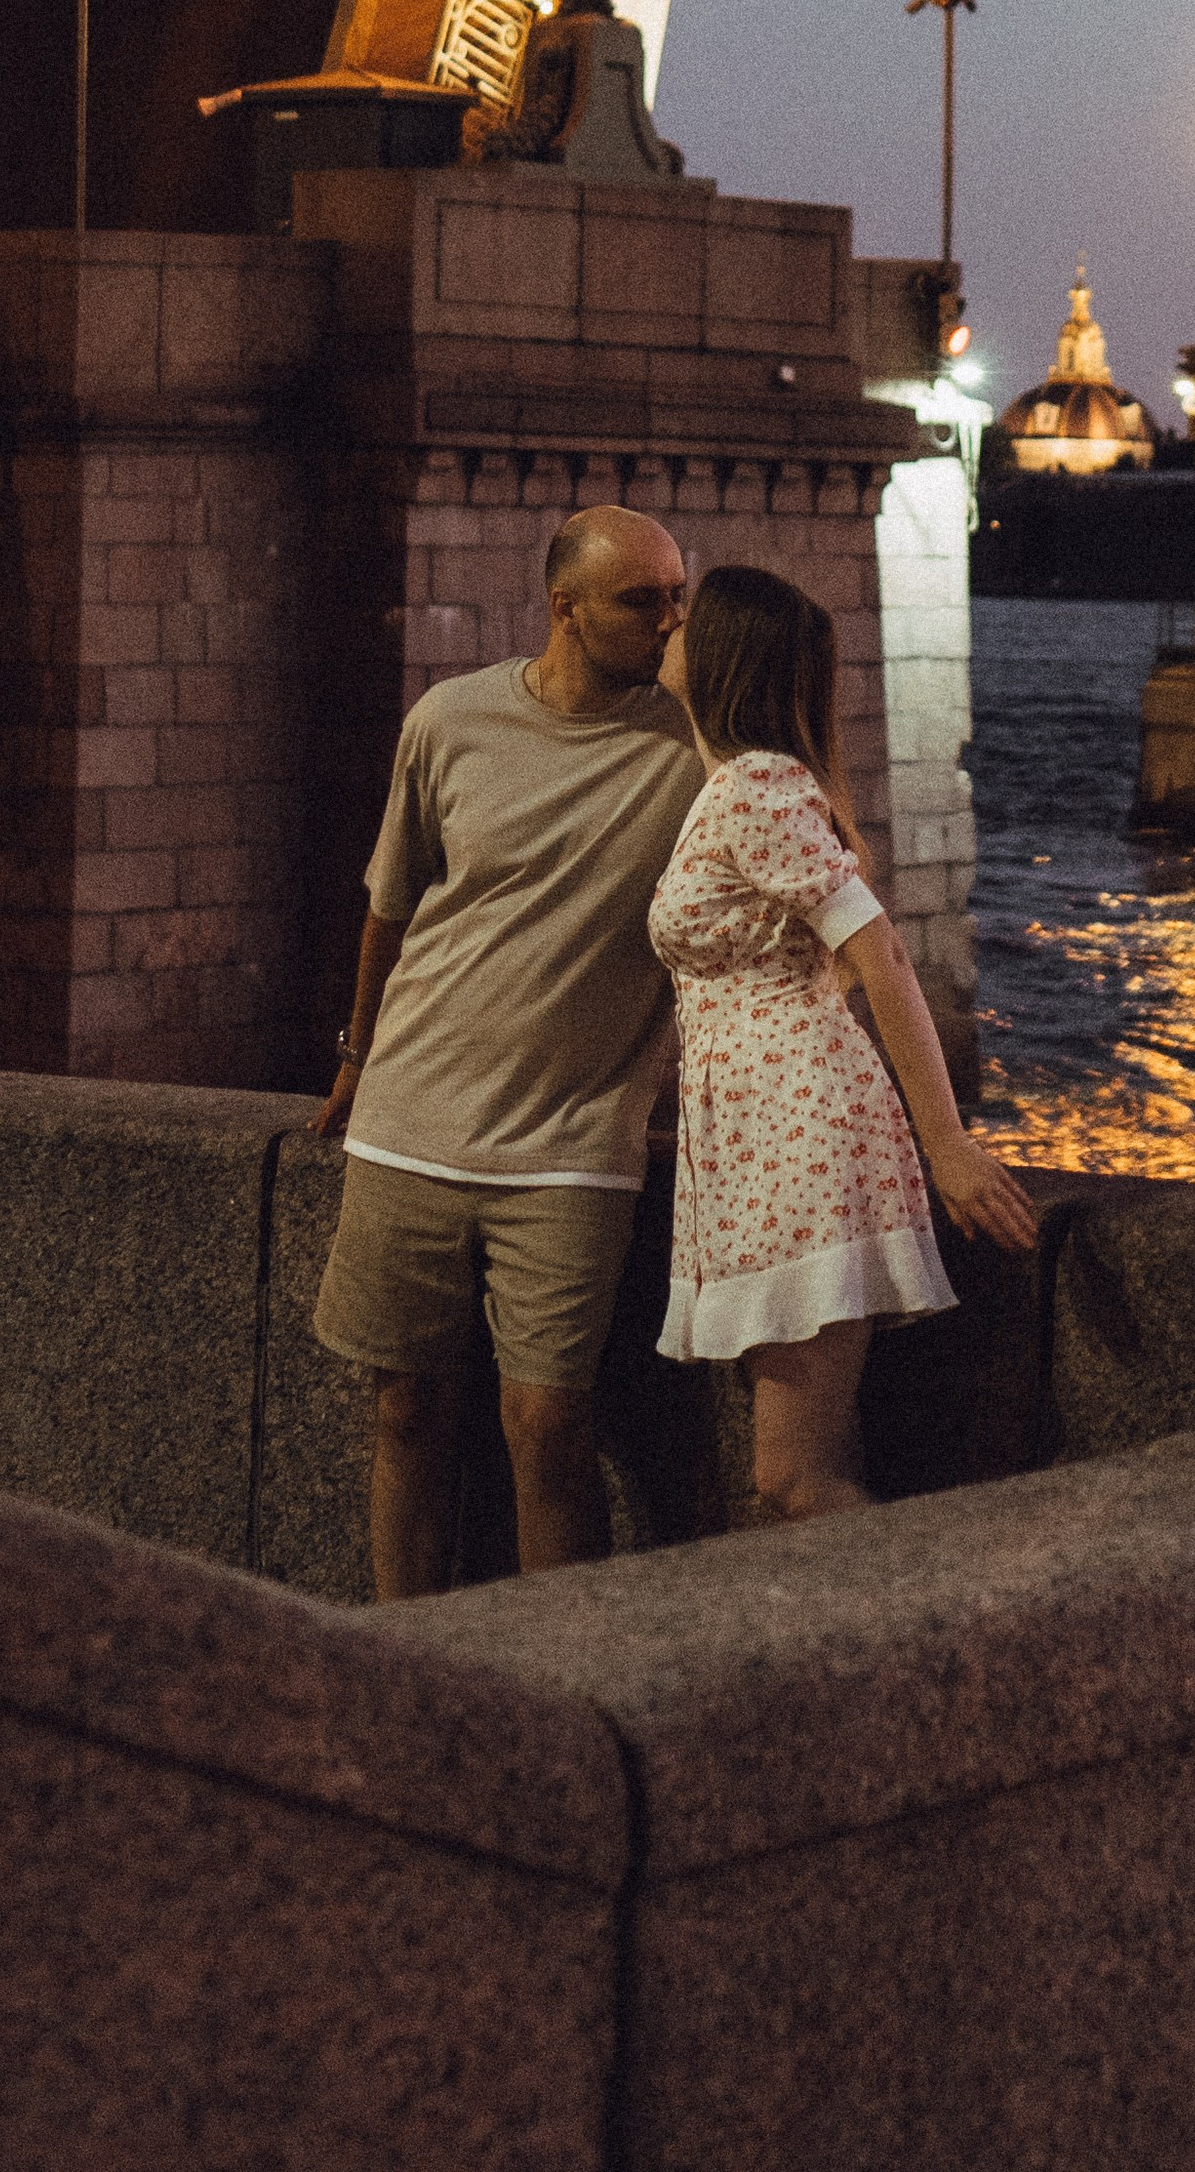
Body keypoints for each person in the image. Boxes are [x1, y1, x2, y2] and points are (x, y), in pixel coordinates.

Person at [311, 504, 699, 1599]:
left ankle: (553, 1673)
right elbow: (390, 903)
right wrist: (357, 1053)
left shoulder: (695, 743)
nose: (669, 623)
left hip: (574, 1145)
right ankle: (406, 1649)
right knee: (405, 1408)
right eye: (641, 602)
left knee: (549, 1423)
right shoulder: (450, 719)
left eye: (679, 596)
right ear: (563, 610)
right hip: (409, 1124)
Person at [652, 561, 1038, 1522]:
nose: (666, 625)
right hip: (753, 1147)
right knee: (815, 1460)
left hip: (799, 1140)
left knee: (792, 1479)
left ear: (722, 655)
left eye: (685, 617)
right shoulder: (735, 789)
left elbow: (884, 961)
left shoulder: (757, 789)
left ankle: (931, 1642)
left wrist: (947, 1146)